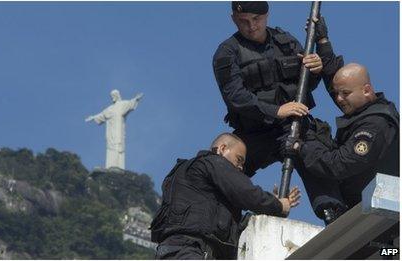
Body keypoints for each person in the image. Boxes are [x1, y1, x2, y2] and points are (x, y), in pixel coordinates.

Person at [212, 1, 342, 177]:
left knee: (317, 160)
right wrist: (276, 111)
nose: (251, 26)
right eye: (244, 21)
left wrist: (316, 69)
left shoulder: (285, 42)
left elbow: (306, 85)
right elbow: (235, 97)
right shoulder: (227, 52)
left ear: (267, 15)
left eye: (256, 19)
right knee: (221, 172)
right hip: (254, 132)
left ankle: (327, 205)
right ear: (233, 19)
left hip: (293, 125)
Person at [150, 133, 301, 259]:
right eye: (239, 159)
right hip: (190, 251)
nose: (240, 168)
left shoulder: (199, 187)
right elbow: (246, 192)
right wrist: (279, 205)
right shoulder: (213, 162)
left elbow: (232, 223)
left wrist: (268, 209)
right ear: (222, 149)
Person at [288, 63, 399, 224]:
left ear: (366, 90)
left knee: (311, 151)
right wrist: (322, 43)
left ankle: (334, 210)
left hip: (379, 215)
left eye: (345, 93)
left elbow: (340, 164)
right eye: (336, 94)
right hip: (362, 204)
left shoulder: (374, 125)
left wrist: (301, 148)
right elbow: (337, 77)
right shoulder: (366, 112)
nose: (339, 99)